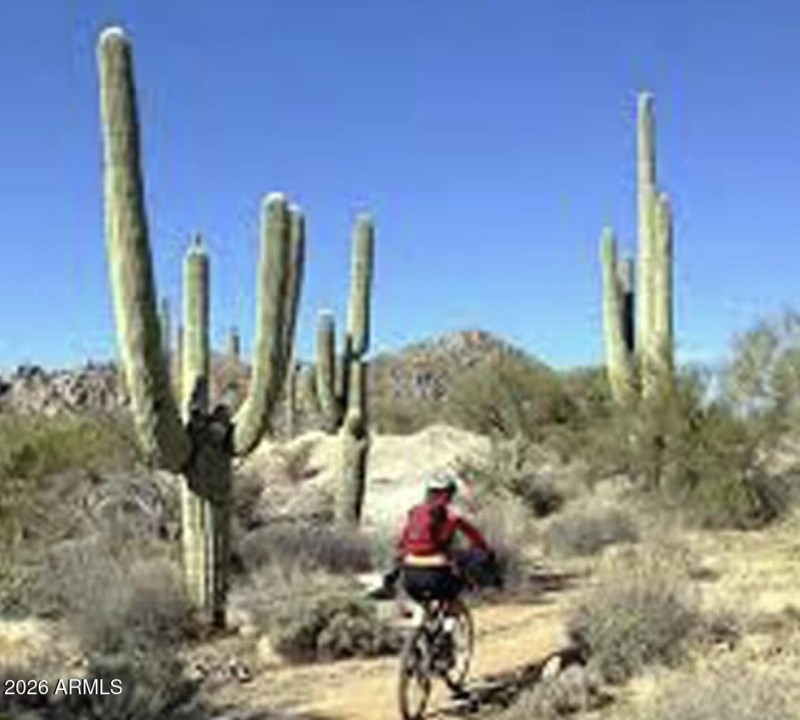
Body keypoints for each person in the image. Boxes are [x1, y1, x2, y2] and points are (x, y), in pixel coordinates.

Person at [371, 471, 497, 602]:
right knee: (473, 561)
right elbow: (475, 537)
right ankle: (486, 591)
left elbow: (402, 541)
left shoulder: (415, 512)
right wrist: (484, 551)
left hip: (409, 578)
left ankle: (388, 587)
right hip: (438, 575)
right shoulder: (452, 517)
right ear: (450, 494)